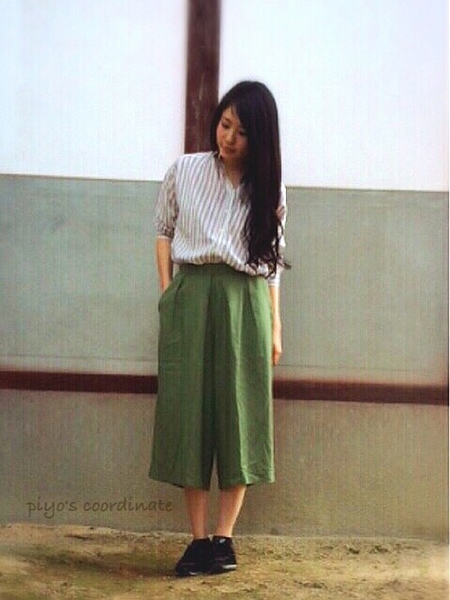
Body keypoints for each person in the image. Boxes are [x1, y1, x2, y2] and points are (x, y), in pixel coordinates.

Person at [149, 80, 287, 577]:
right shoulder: (185, 170)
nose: (228, 137)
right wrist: (169, 294)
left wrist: (275, 325)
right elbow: (163, 230)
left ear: (260, 138)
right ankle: (197, 540)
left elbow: (271, 263)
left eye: (242, 132)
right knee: (190, 413)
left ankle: (224, 538)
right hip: (191, 295)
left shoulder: (269, 188)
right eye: (225, 124)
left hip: (246, 300)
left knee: (241, 414)